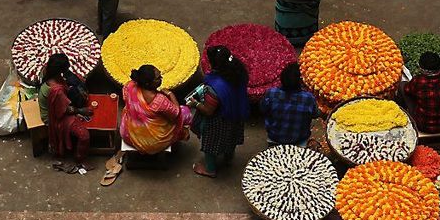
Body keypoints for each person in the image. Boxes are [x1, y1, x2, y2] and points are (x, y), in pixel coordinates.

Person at [189, 45, 250, 177]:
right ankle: (228, 158)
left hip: (219, 123)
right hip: (236, 115)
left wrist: (196, 103)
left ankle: (210, 169)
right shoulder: (239, 72)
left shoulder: (214, 87)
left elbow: (208, 111)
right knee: (231, 139)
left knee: (211, 146)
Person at [120, 64, 193, 154]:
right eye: (158, 78)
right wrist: (170, 94)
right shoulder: (159, 100)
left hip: (127, 132)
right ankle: (181, 133)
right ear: (148, 83)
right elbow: (176, 114)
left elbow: (125, 99)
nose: (161, 79)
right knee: (184, 111)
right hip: (150, 143)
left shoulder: (129, 86)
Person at [40, 53, 93, 172]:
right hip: (53, 116)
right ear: (60, 71)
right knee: (84, 135)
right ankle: (80, 160)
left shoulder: (47, 71)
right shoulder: (57, 91)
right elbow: (65, 110)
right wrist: (81, 111)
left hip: (55, 106)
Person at [259, 62, 319, 146]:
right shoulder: (308, 98)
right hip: (299, 139)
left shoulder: (271, 93)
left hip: (274, 137)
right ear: (300, 81)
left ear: (282, 79)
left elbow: (262, 109)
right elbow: (316, 114)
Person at [402, 52, 440, 133]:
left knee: (403, 87)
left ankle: (408, 113)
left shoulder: (418, 81)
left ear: (421, 68)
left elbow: (407, 90)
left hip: (422, 125)